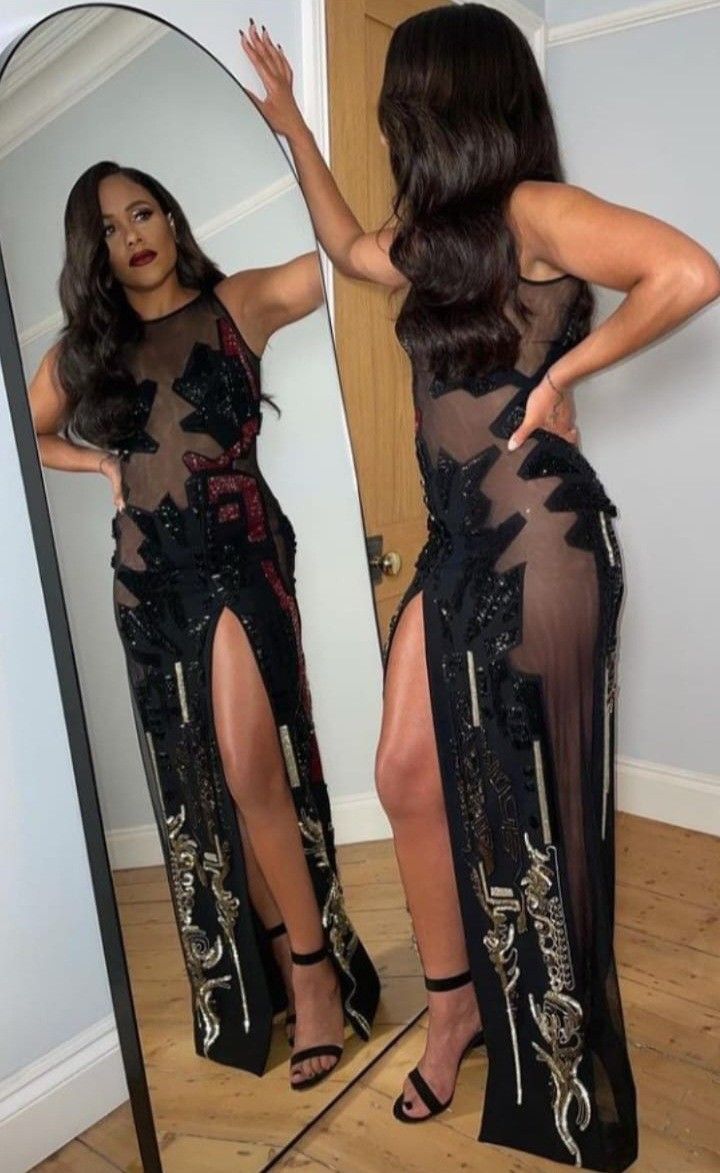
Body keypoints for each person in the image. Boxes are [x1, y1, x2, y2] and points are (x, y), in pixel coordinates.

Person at [240, 5, 719, 1167]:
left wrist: (564, 375)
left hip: (544, 541)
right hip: (455, 543)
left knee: (543, 809)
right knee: (407, 773)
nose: (390, 125)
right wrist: (294, 125)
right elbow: (349, 250)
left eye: (401, 104)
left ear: (450, 103)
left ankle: (562, 1067)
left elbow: (688, 272)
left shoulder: (533, 210)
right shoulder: (433, 237)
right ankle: (454, 1007)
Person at [28, 160, 380, 1088]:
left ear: (173, 219)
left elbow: (355, 258)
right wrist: (98, 466)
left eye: (142, 212)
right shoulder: (86, 353)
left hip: (238, 559)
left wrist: (301, 133)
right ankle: (277, 960)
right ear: (95, 253)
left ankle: (314, 971)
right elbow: (24, 428)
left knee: (252, 764)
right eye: (108, 229)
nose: (131, 236)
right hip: (147, 584)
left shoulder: (239, 304)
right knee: (210, 787)